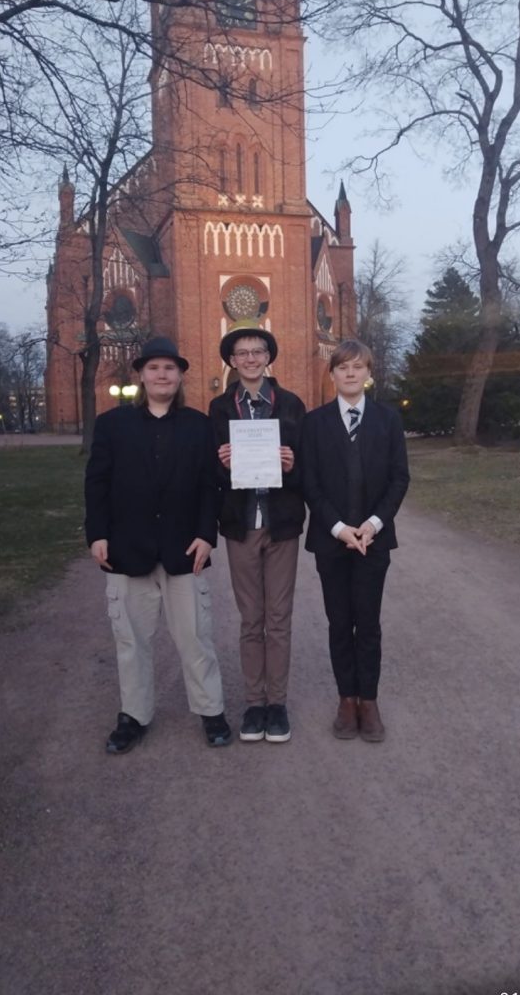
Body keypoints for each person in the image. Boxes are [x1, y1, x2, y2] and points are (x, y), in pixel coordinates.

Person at [85, 336, 232, 753]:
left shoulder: (198, 425)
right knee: (131, 641)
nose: (162, 375)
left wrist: (206, 534)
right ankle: (133, 714)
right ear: (141, 375)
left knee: (196, 638)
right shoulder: (113, 425)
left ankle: (211, 710)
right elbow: (96, 482)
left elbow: (210, 485)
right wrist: (97, 533)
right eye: (154, 368)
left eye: (170, 368)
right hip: (126, 548)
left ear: (180, 376)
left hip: (184, 550)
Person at [300, 339, 409, 742]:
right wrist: (338, 528)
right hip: (332, 541)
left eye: (358, 366)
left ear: (368, 374)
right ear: (332, 374)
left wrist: (373, 524)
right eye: (343, 367)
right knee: (339, 622)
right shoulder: (314, 423)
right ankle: (346, 698)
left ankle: (369, 700)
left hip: (373, 540)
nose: (350, 373)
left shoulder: (387, 420)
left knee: (368, 623)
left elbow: (399, 477)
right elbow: (309, 481)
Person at [209, 320, 305, 743]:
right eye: (242, 353)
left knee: (278, 618)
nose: (250, 358)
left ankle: (277, 704)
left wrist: (293, 464)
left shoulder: (291, 403)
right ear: (232, 361)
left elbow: (308, 466)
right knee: (251, 619)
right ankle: (254, 703)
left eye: (258, 352)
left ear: (268, 358)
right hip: (242, 523)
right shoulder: (219, 408)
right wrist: (223, 463)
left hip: (281, 523)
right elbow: (210, 471)